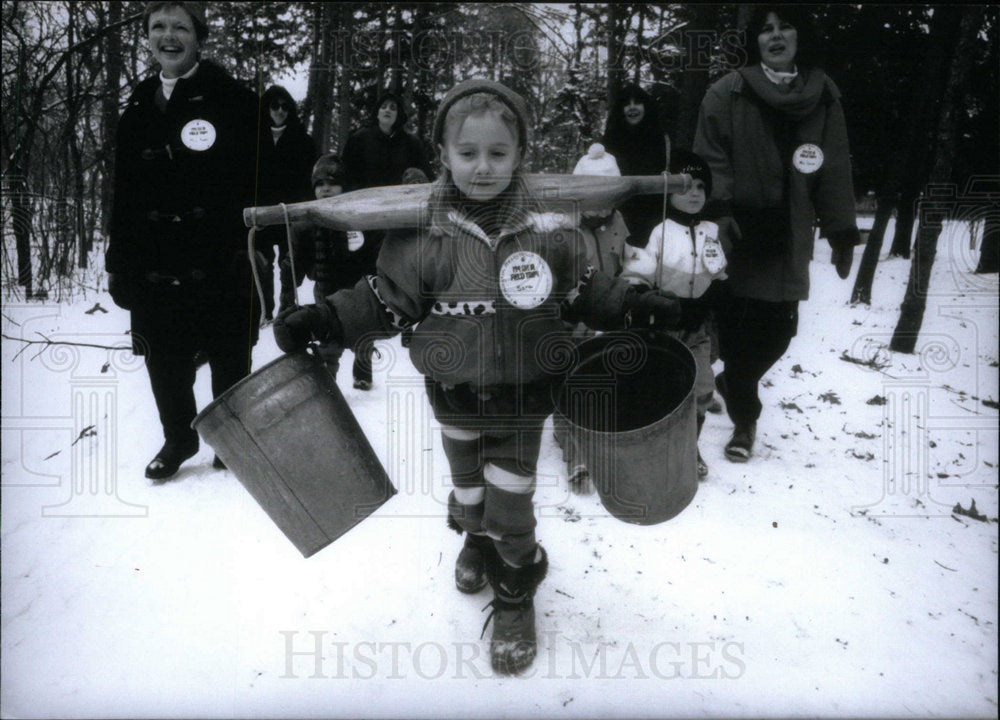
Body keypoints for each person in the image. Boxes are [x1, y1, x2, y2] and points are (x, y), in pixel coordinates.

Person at [272, 78, 681, 675]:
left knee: (510, 500)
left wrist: (633, 305)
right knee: (469, 487)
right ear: (443, 154)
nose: (483, 167)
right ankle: (475, 536)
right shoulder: (419, 236)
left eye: (498, 153)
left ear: (520, 155)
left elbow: (586, 291)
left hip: (524, 393)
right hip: (453, 393)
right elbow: (386, 301)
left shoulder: (551, 229)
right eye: (467, 154)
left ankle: (515, 590)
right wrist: (328, 317)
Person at [693, 6, 860, 463]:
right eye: (766, 29)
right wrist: (720, 209)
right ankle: (746, 420)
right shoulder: (728, 92)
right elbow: (712, 156)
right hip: (738, 232)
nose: (776, 35)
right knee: (734, 326)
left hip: (789, 232)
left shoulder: (822, 95)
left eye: (786, 25)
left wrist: (841, 227)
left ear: (801, 36)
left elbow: (835, 164)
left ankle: (734, 383)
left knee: (778, 334)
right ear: (755, 41)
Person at [106, 1, 261, 480]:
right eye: (157, 27)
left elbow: (260, 180)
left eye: (179, 26)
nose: (167, 36)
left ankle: (231, 440)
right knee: (163, 358)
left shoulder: (233, 98)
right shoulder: (137, 103)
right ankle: (179, 437)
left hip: (218, 258)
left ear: (199, 37)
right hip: (154, 261)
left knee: (229, 354)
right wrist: (119, 261)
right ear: (147, 37)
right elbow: (125, 190)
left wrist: (248, 244)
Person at [619, 149, 729, 479]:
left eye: (701, 187)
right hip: (665, 327)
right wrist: (644, 299)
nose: (694, 194)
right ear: (670, 192)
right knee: (663, 389)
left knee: (701, 389)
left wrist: (717, 297)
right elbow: (640, 274)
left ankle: (688, 448)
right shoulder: (660, 231)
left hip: (698, 328)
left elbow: (718, 272)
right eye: (686, 186)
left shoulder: (711, 230)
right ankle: (653, 446)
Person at [337, 92, 434, 389]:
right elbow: (344, 175)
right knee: (365, 289)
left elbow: (426, 182)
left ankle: (403, 332)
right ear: (376, 112)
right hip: (365, 223)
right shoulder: (360, 139)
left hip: (400, 226)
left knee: (401, 283)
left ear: (399, 115)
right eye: (383, 106)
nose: (388, 110)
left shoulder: (412, 144)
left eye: (393, 107)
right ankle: (357, 366)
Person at [554, 142, 630, 493]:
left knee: (605, 388)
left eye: (607, 194)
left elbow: (627, 262)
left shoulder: (618, 224)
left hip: (608, 321)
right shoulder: (564, 228)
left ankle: (606, 445)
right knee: (571, 387)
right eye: (592, 194)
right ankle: (575, 452)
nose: (600, 204)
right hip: (571, 325)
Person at [289, 153, 375, 378]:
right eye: (320, 184)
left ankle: (363, 370)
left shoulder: (358, 219)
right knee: (328, 337)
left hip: (357, 289)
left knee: (364, 333)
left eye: (333, 183)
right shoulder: (304, 224)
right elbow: (294, 263)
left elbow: (372, 254)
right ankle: (329, 380)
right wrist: (287, 297)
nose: (325, 189)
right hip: (326, 289)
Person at [256, 84, 317, 320]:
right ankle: (264, 310)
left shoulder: (303, 140)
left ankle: (287, 306)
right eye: (274, 106)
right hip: (261, 211)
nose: (279, 111)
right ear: (266, 109)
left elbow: (309, 180)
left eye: (284, 106)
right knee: (261, 262)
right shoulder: (253, 138)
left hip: (289, 211)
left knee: (289, 262)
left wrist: (302, 210)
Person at [601, 84, 669, 248]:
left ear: (646, 106)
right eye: (626, 104)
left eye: (637, 102)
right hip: (618, 216)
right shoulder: (609, 141)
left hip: (654, 216)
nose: (632, 108)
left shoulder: (660, 138)